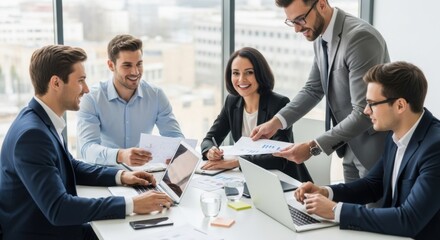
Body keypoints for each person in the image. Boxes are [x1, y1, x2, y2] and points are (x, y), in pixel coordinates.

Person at [0, 45, 173, 240]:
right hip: (45, 234)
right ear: (56, 83)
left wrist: (122, 176)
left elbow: (70, 166)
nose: (86, 89)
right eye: (81, 80)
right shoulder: (32, 136)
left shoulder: (39, 120)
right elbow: (59, 208)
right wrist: (132, 204)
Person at [294, 61, 440, 239]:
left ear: (400, 105)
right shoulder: (395, 136)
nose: (365, 111)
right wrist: (326, 192)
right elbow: (372, 185)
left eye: (372, 103)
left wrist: (335, 210)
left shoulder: (435, 147)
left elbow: (409, 219)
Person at [251, 0, 390, 183]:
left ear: (322, 4)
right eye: (292, 22)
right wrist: (275, 122)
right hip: (349, 147)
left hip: (372, 149)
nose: (297, 29)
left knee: (373, 211)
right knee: (350, 209)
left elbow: (364, 112)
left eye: (300, 19)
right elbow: (313, 89)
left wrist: (311, 147)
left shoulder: (360, 38)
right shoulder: (321, 36)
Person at [200, 47, 312, 181]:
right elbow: (210, 138)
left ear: (260, 74)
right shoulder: (232, 101)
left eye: (249, 72)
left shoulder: (278, 103)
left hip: (283, 179)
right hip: (250, 177)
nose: (241, 79)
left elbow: (279, 158)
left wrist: (236, 162)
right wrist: (210, 151)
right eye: (235, 73)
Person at [77, 34, 183, 166]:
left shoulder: (156, 95)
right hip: (107, 174)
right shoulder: (92, 99)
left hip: (144, 173)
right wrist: (121, 155)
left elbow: (175, 138)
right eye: (127, 65)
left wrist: (175, 155)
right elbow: (87, 149)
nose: (135, 72)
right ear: (111, 65)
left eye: (139, 64)